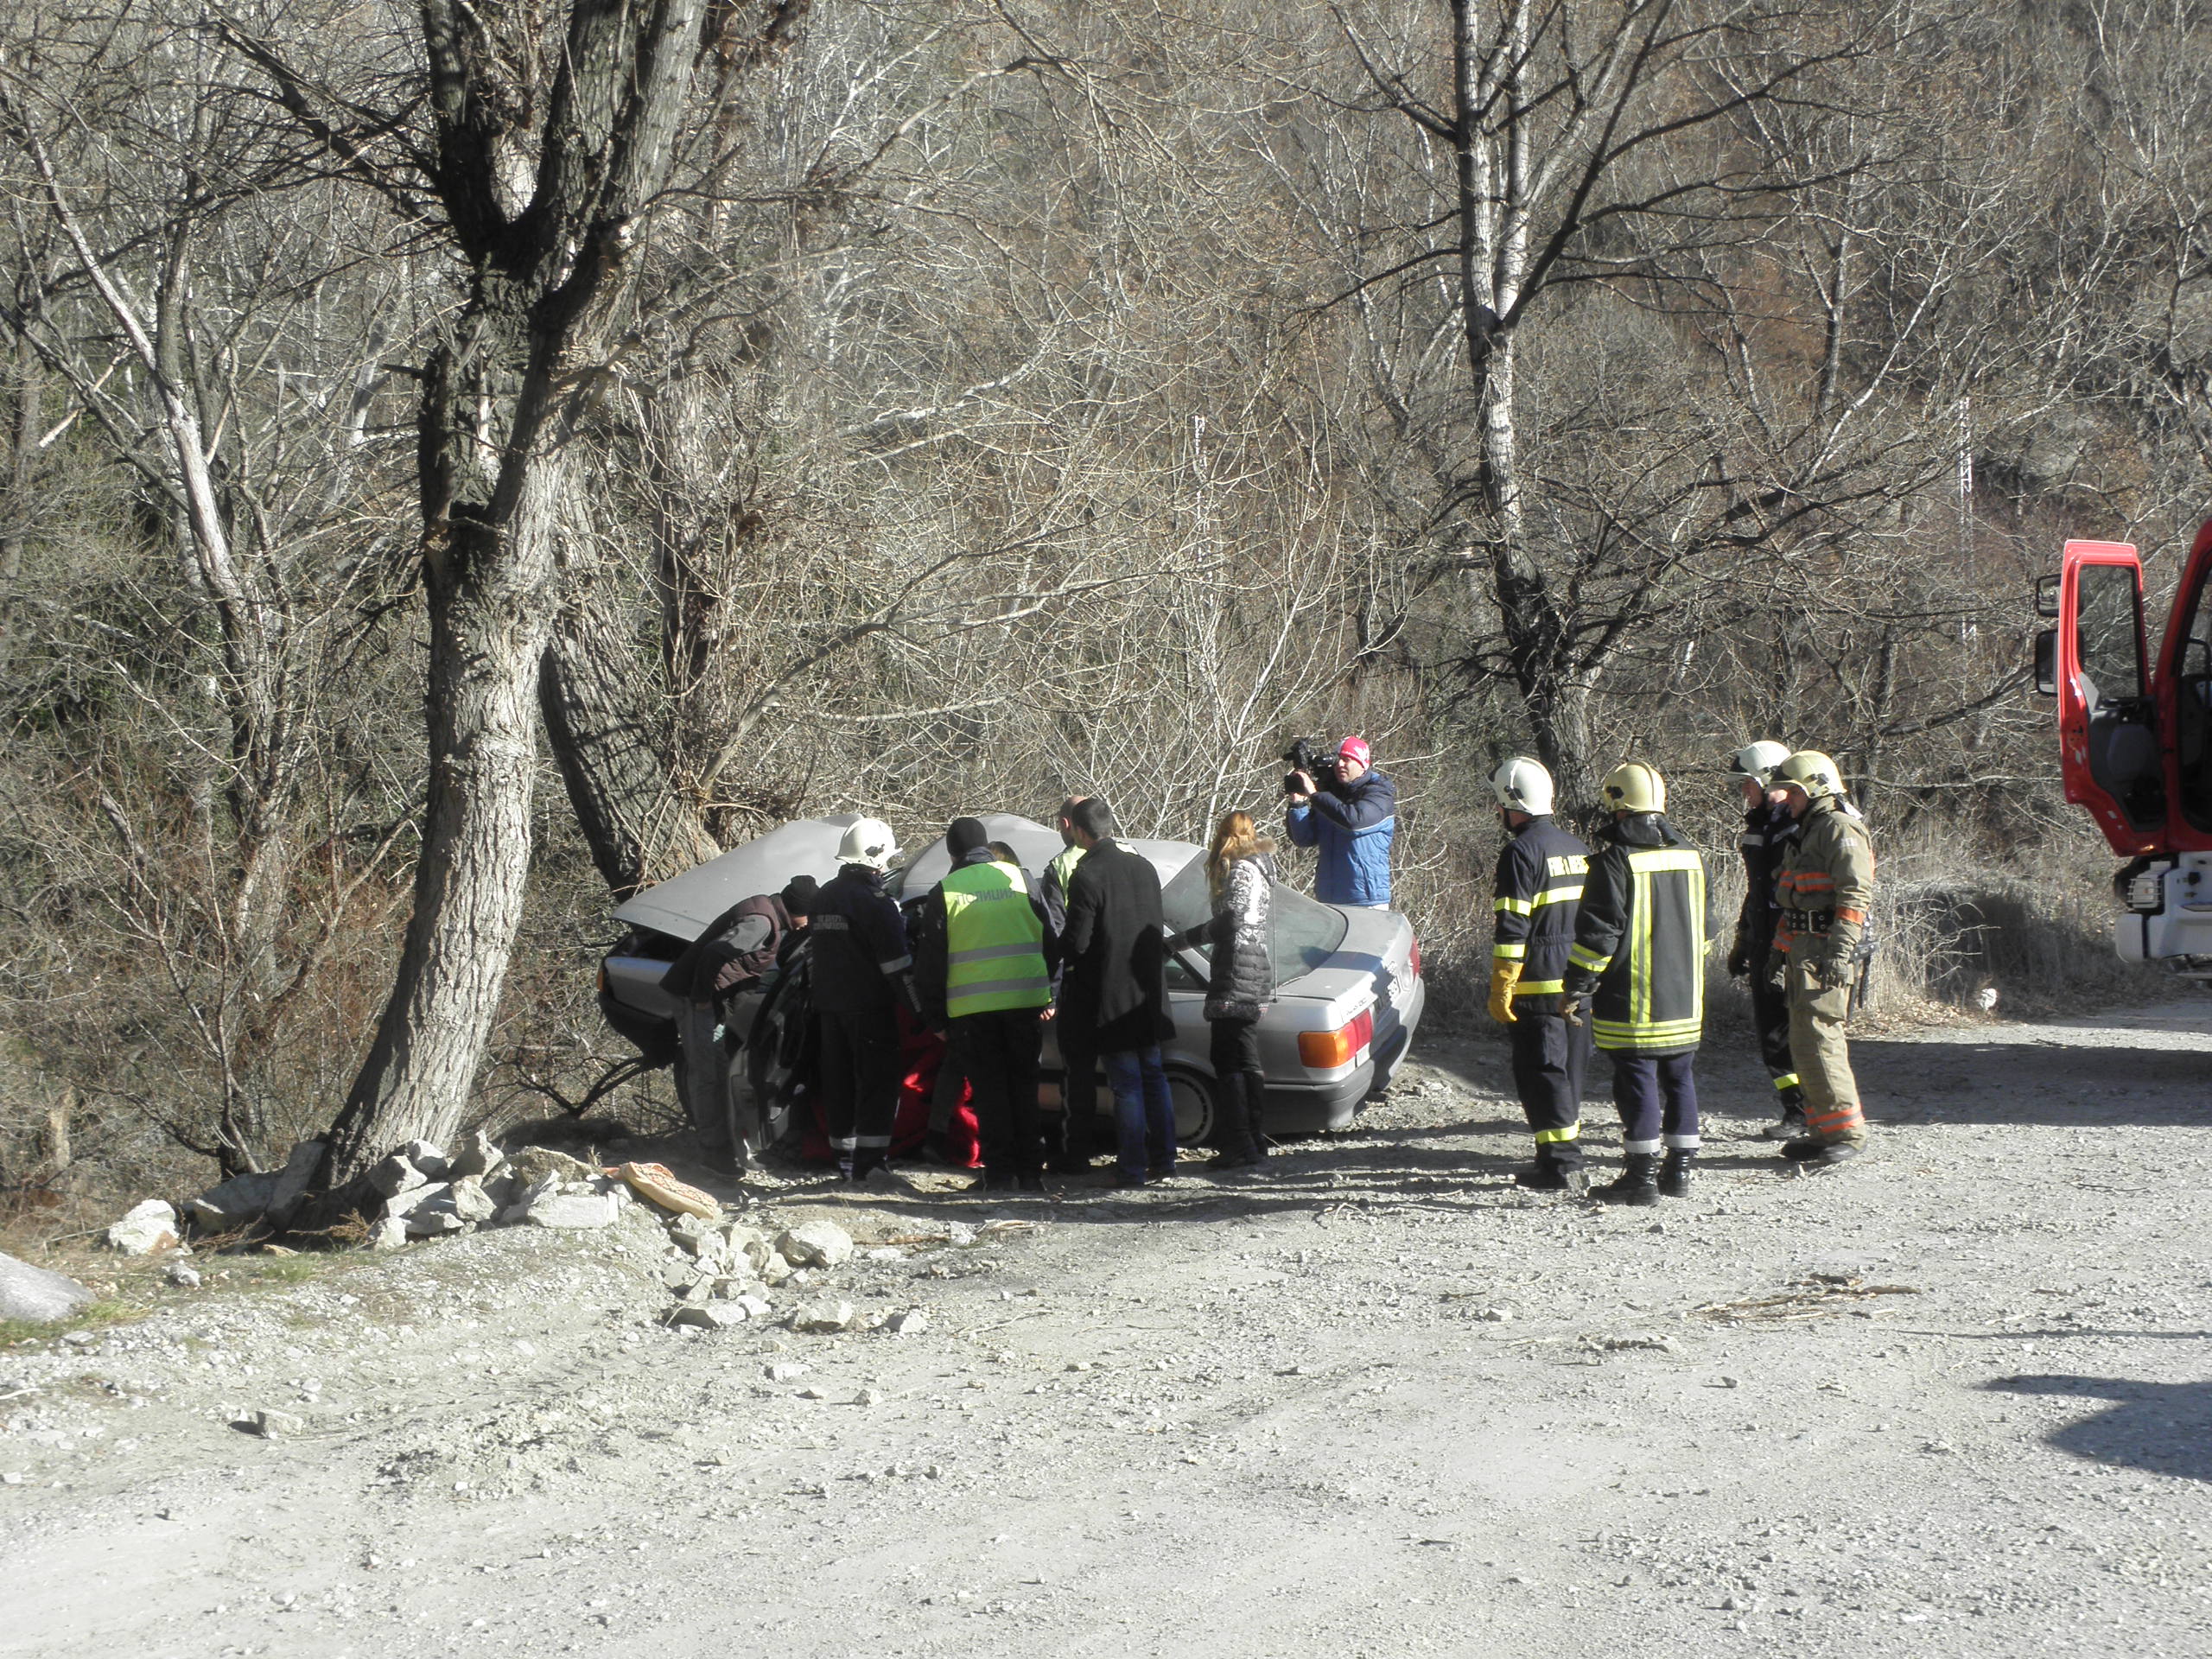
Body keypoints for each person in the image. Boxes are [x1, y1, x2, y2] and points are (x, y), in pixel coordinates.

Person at [1561, 761, 1709, 1205]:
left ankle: (1640, 1179)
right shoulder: (1692, 856)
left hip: (1633, 998)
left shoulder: (1615, 862)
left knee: (1637, 1079)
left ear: (1618, 805)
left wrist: (1577, 986)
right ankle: (1678, 1173)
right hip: (1684, 997)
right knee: (1680, 1078)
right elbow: (1708, 929)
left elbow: (1598, 936)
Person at [913, 817, 1056, 1193]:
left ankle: (999, 1175)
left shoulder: (945, 891)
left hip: (971, 1012)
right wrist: (1049, 991)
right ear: (987, 845)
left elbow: (930, 964)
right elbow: (1052, 941)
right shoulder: (1021, 879)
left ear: (952, 853)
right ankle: (1031, 1174)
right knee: (1024, 1090)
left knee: (991, 1094)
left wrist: (935, 1017)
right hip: (1025, 1004)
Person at [1485, 756, 1592, 1191]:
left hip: (1537, 985)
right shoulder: (1578, 848)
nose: (1499, 814)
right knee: (1571, 1072)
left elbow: (1513, 925)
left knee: (1541, 1073)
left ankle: (1562, 1164)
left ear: (1514, 803)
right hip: (1580, 982)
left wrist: (1502, 983)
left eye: (1501, 805)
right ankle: (1558, 1154)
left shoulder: (1520, 852)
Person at [1058, 798, 1177, 1186]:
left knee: (1126, 1084)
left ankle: (1130, 1169)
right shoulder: (1143, 867)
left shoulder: (1086, 874)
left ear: (1078, 831)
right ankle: (1165, 1161)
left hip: (1111, 994)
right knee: (1154, 1077)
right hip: (1150, 990)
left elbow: (1077, 942)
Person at [1770, 751, 1876, 1168]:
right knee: (1803, 1043)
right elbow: (1796, 900)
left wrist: (1840, 952)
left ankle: (1847, 1133)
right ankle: (1822, 1131)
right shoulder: (1809, 830)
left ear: (1812, 789)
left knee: (1823, 1041)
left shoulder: (1839, 829)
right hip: (1803, 950)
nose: (1787, 801)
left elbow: (1854, 896)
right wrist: (1780, 951)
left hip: (1824, 951)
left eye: (1792, 793)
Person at [806, 817, 922, 1184]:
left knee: (839, 1084)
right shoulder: (876, 903)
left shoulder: (825, 894)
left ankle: (844, 1162)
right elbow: (898, 966)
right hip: (869, 1009)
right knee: (878, 1084)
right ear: (876, 857)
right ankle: (871, 1165)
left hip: (828, 1008)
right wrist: (921, 1010)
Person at [660, 887, 795, 1171]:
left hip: (706, 997)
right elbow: (714, 954)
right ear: (798, 911)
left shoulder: (765, 910)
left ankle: (726, 1148)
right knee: (707, 1074)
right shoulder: (761, 923)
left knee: (719, 1070)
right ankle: (714, 1152)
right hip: (695, 998)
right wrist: (700, 1001)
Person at [1178, 809, 1276, 1171]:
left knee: (1227, 1059)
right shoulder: (1263, 867)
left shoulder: (1241, 869)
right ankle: (1254, 1138)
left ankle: (1238, 1144)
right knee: (1246, 1057)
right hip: (1257, 967)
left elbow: (1231, 921)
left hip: (1236, 967)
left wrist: (1184, 940)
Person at [1723, 741, 1808, 1140]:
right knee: (1772, 1031)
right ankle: (1798, 1109)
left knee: (1790, 1031)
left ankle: (1804, 1112)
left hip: (1791, 946)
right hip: (1765, 941)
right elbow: (1756, 893)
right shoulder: (1763, 827)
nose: (1744, 792)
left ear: (1767, 779)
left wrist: (1781, 948)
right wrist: (1744, 943)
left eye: (1747, 784)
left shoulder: (1795, 828)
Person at [1039, 796, 1096, 1171]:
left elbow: (1057, 936)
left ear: (1066, 825)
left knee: (1077, 1074)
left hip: (1078, 985)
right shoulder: (1131, 853)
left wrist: (1052, 993)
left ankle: (1075, 1154)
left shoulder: (1061, 866)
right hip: (1123, 983)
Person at [1286, 736, 1396, 908]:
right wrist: (1297, 803)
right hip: (1329, 898)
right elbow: (1304, 838)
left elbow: (1353, 822)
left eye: (1347, 759)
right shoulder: (1331, 795)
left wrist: (1315, 795)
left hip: (1365, 900)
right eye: (1337, 760)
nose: (1340, 765)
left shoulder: (1379, 794)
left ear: (1363, 764)